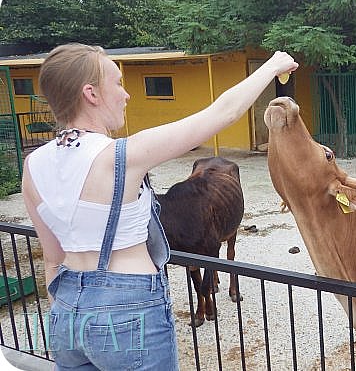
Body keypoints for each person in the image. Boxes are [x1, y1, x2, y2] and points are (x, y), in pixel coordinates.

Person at [21, 43, 298, 370]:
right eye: (118, 84)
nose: (126, 95)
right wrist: (272, 65)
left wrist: (70, 314)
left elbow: (52, 260)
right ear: (91, 93)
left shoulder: (33, 165)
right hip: (128, 310)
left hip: (66, 310)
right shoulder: (121, 156)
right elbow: (223, 112)